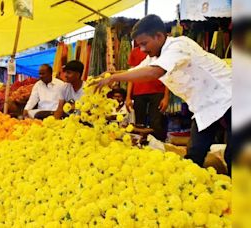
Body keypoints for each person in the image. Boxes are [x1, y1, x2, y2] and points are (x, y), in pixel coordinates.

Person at [94, 14, 232, 175]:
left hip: (230, 96)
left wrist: (114, 77)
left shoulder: (178, 46)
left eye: (144, 44)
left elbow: (154, 72)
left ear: (159, 36)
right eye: (139, 46)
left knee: (235, 154)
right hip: (206, 107)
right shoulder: (154, 56)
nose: (143, 49)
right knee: (194, 155)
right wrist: (106, 75)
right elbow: (134, 71)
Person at [126, 45, 169, 141]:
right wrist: (128, 97)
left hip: (158, 91)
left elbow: (167, 74)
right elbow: (130, 74)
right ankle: (141, 147)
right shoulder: (134, 52)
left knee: (156, 122)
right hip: (138, 91)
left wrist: (166, 96)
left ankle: (158, 147)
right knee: (139, 124)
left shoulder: (159, 50)